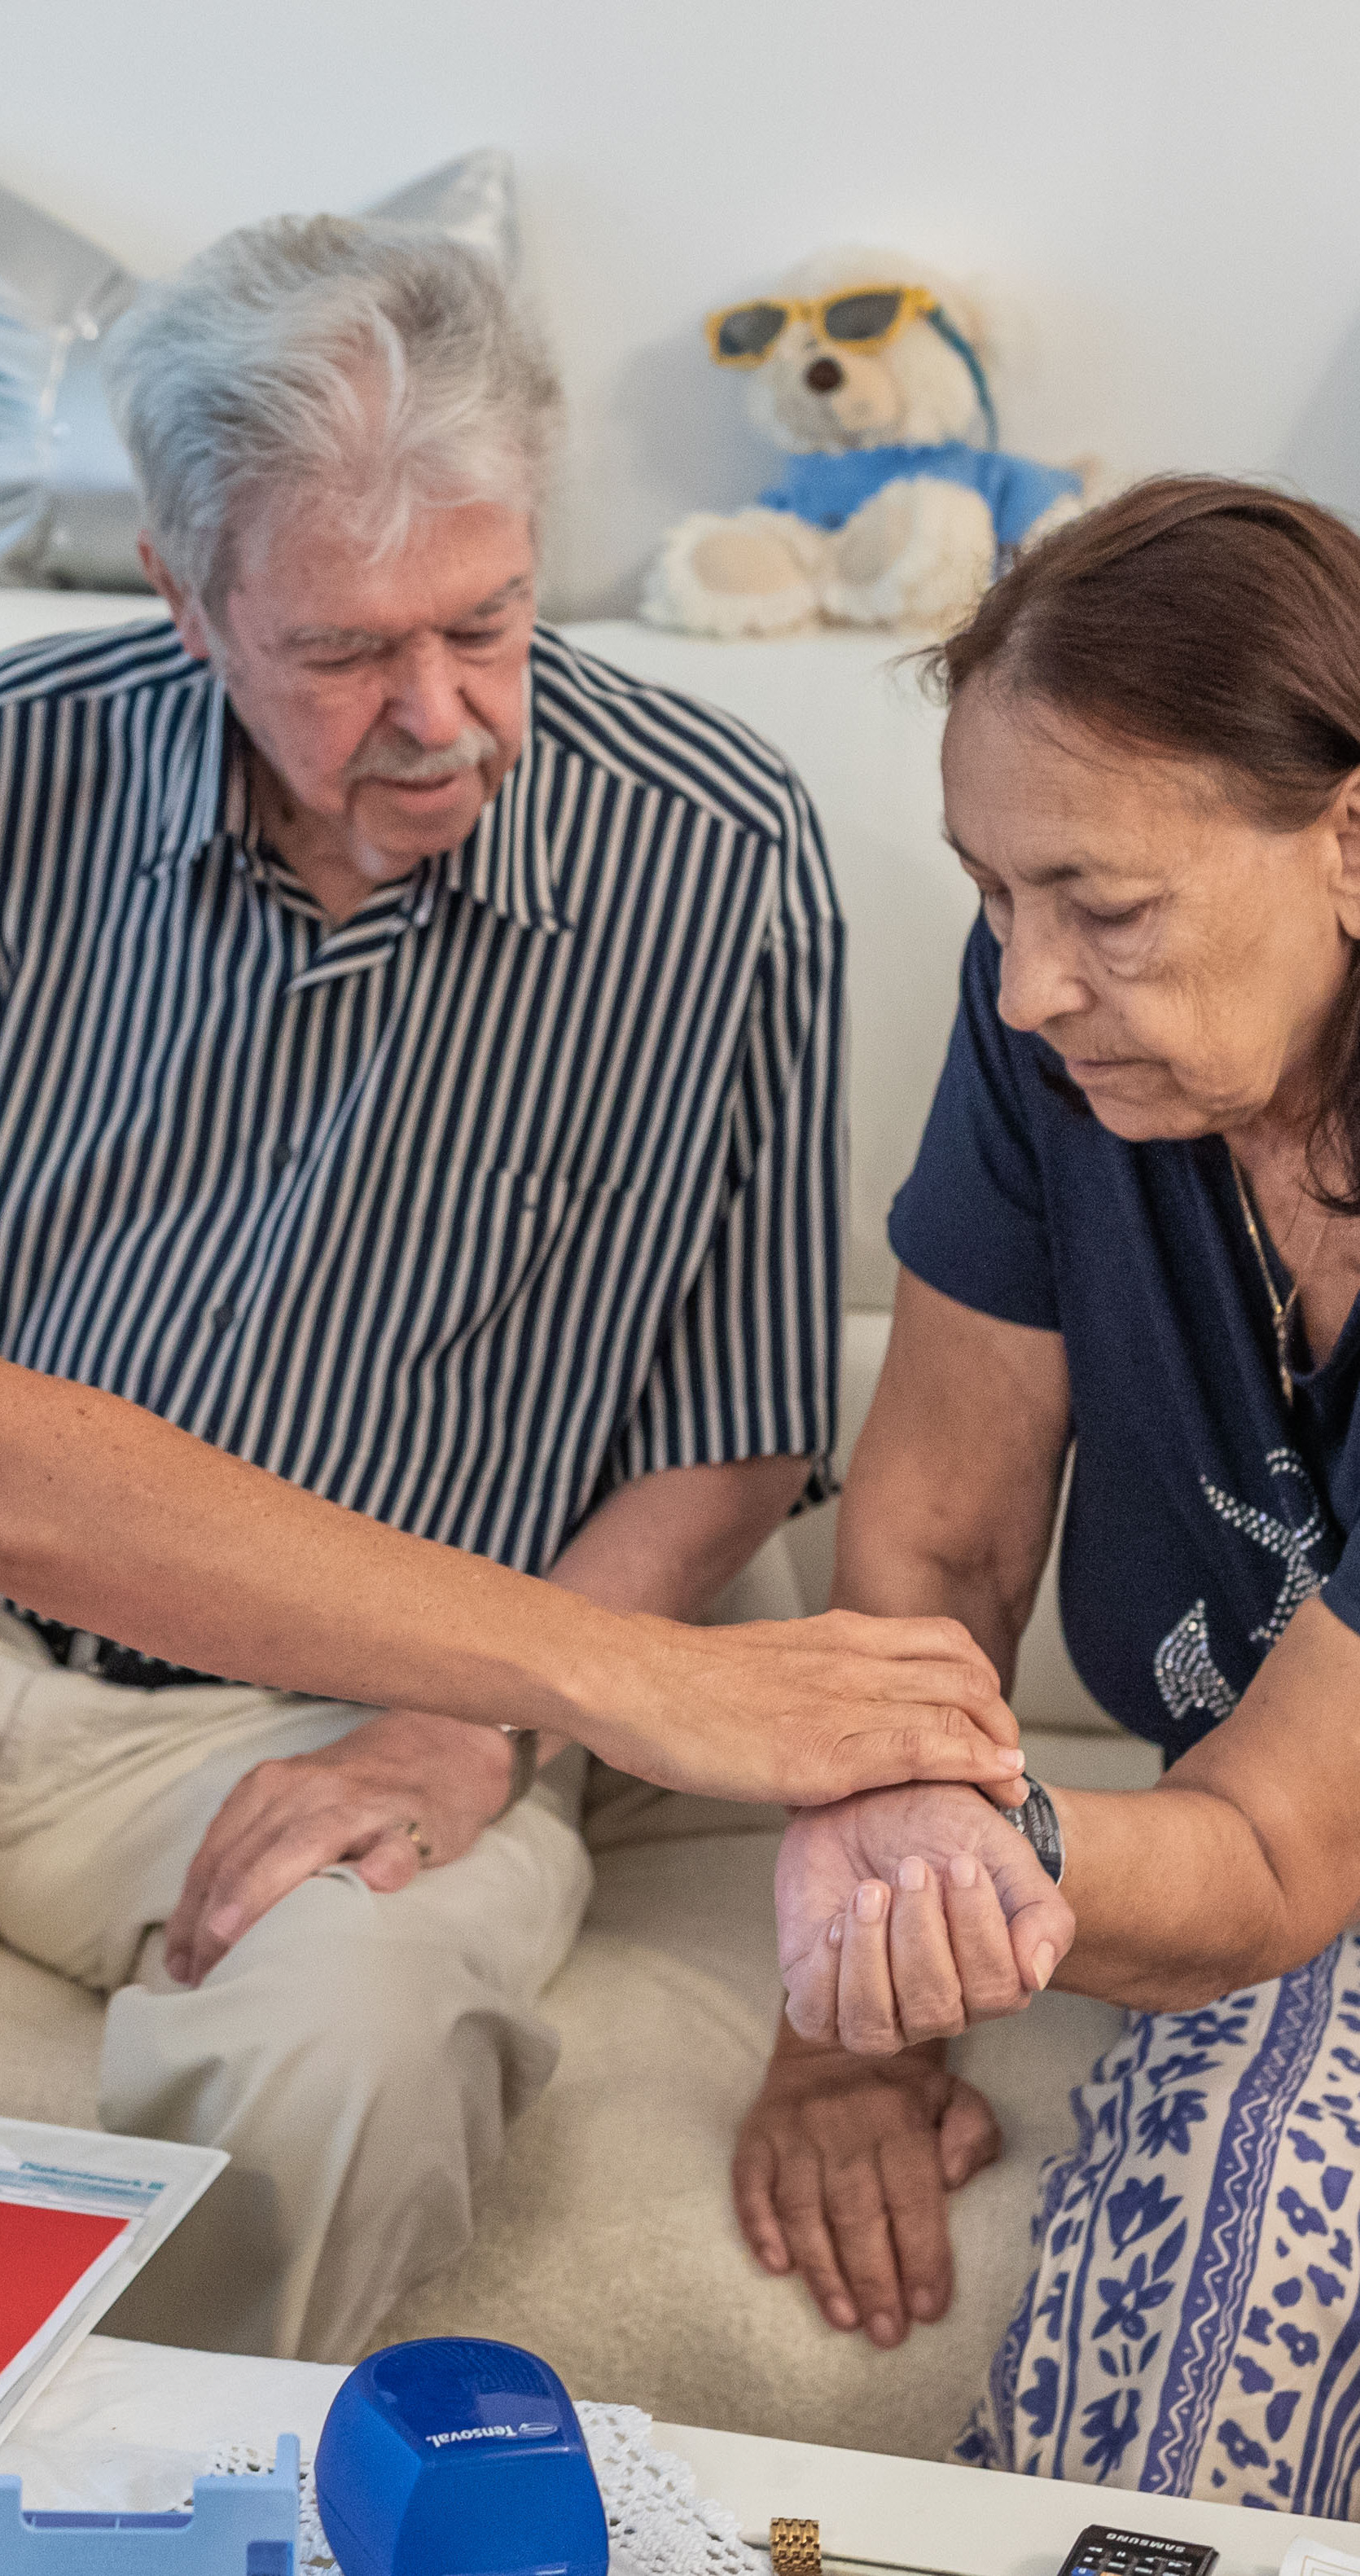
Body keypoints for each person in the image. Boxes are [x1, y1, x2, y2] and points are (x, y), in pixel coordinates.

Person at [0, 205, 1009, 2359]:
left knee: (333, 2067)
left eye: (489, 616)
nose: (438, 713)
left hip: (350, 1707)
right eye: (346, 650)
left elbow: (732, 1419)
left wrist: (475, 1722)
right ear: (181, 594)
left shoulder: (713, 854)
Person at [739, 477, 1360, 2517]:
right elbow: (943, 1532)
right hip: (1254, 1851)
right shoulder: (1065, 1055)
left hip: (1294, 1863)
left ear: (1351, 839)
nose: (1022, 983)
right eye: (993, 896)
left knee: (1245, 2202)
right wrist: (855, 2023)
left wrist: (939, 1874)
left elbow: (1274, 1863)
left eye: (1103, 907)